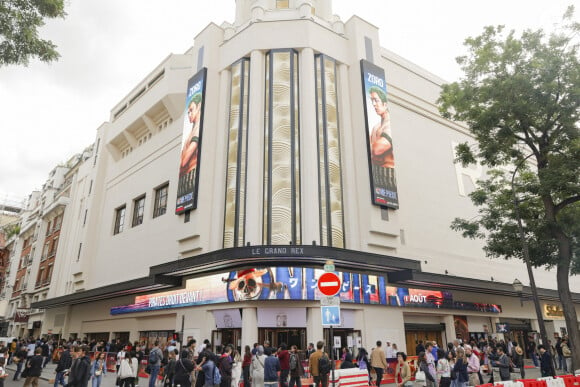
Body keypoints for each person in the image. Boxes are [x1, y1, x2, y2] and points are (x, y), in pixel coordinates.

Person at [368, 86, 396, 193]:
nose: (374, 104)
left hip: (388, 178)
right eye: (372, 101)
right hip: (376, 176)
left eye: (376, 100)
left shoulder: (388, 126)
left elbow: (377, 150)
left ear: (385, 103)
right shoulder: (376, 127)